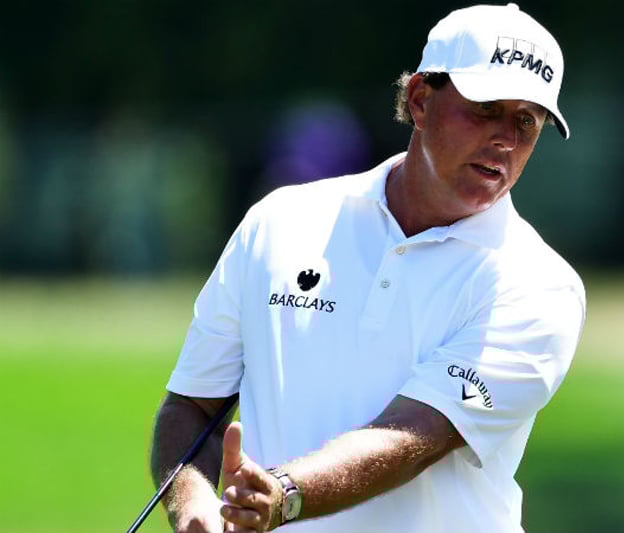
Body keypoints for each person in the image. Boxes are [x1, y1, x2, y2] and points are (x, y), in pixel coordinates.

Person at [148, 4, 584, 532]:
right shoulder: (279, 221)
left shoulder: (539, 284)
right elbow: (193, 406)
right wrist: (194, 507)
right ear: (420, 99)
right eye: (486, 109)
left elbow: (411, 437)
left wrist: (283, 494)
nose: (506, 141)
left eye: (526, 121)